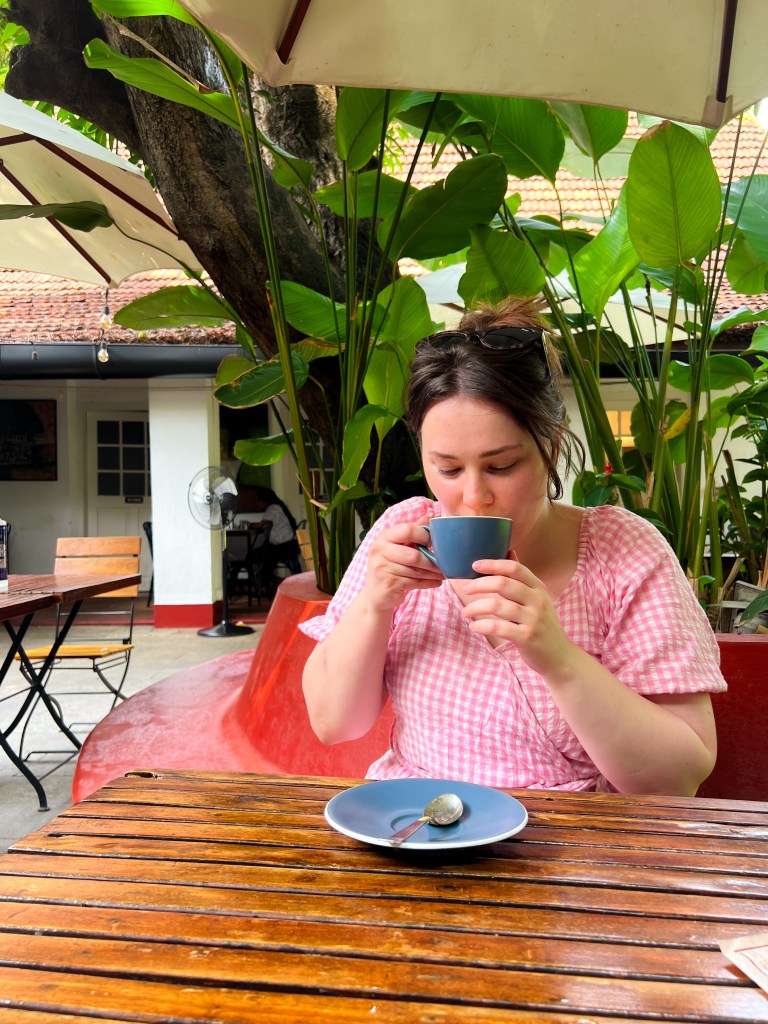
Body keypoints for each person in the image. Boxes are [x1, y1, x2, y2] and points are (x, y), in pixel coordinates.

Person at [301, 296, 726, 795]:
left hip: (570, 844)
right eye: (448, 469)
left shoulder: (622, 553)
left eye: (501, 466)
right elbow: (334, 724)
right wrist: (375, 605)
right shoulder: (404, 530)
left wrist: (556, 655)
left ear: (550, 444)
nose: (474, 496)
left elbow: (677, 779)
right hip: (419, 827)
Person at [244, 485, 301, 587]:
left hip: (284, 547)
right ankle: (265, 582)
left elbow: (263, 524)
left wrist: (251, 525)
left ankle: (259, 584)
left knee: (252, 556)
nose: (257, 503)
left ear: (264, 501)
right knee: (262, 552)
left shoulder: (273, 508)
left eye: (258, 501)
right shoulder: (279, 506)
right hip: (290, 545)